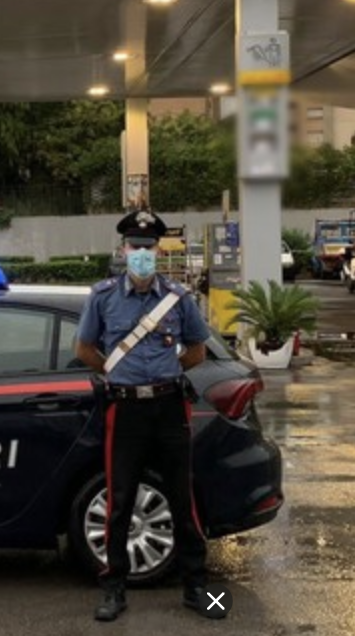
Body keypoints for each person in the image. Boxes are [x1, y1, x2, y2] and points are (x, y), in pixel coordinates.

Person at [74, 210, 218, 622]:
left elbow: (197, 350)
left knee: (182, 499)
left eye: (148, 247)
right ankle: (114, 591)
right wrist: (116, 372)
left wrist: (167, 373)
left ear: (159, 250)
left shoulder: (178, 297)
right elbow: (84, 348)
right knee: (119, 502)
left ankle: (199, 591)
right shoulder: (103, 297)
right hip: (126, 409)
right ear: (123, 249)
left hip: (170, 407)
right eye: (134, 246)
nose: (141, 253)